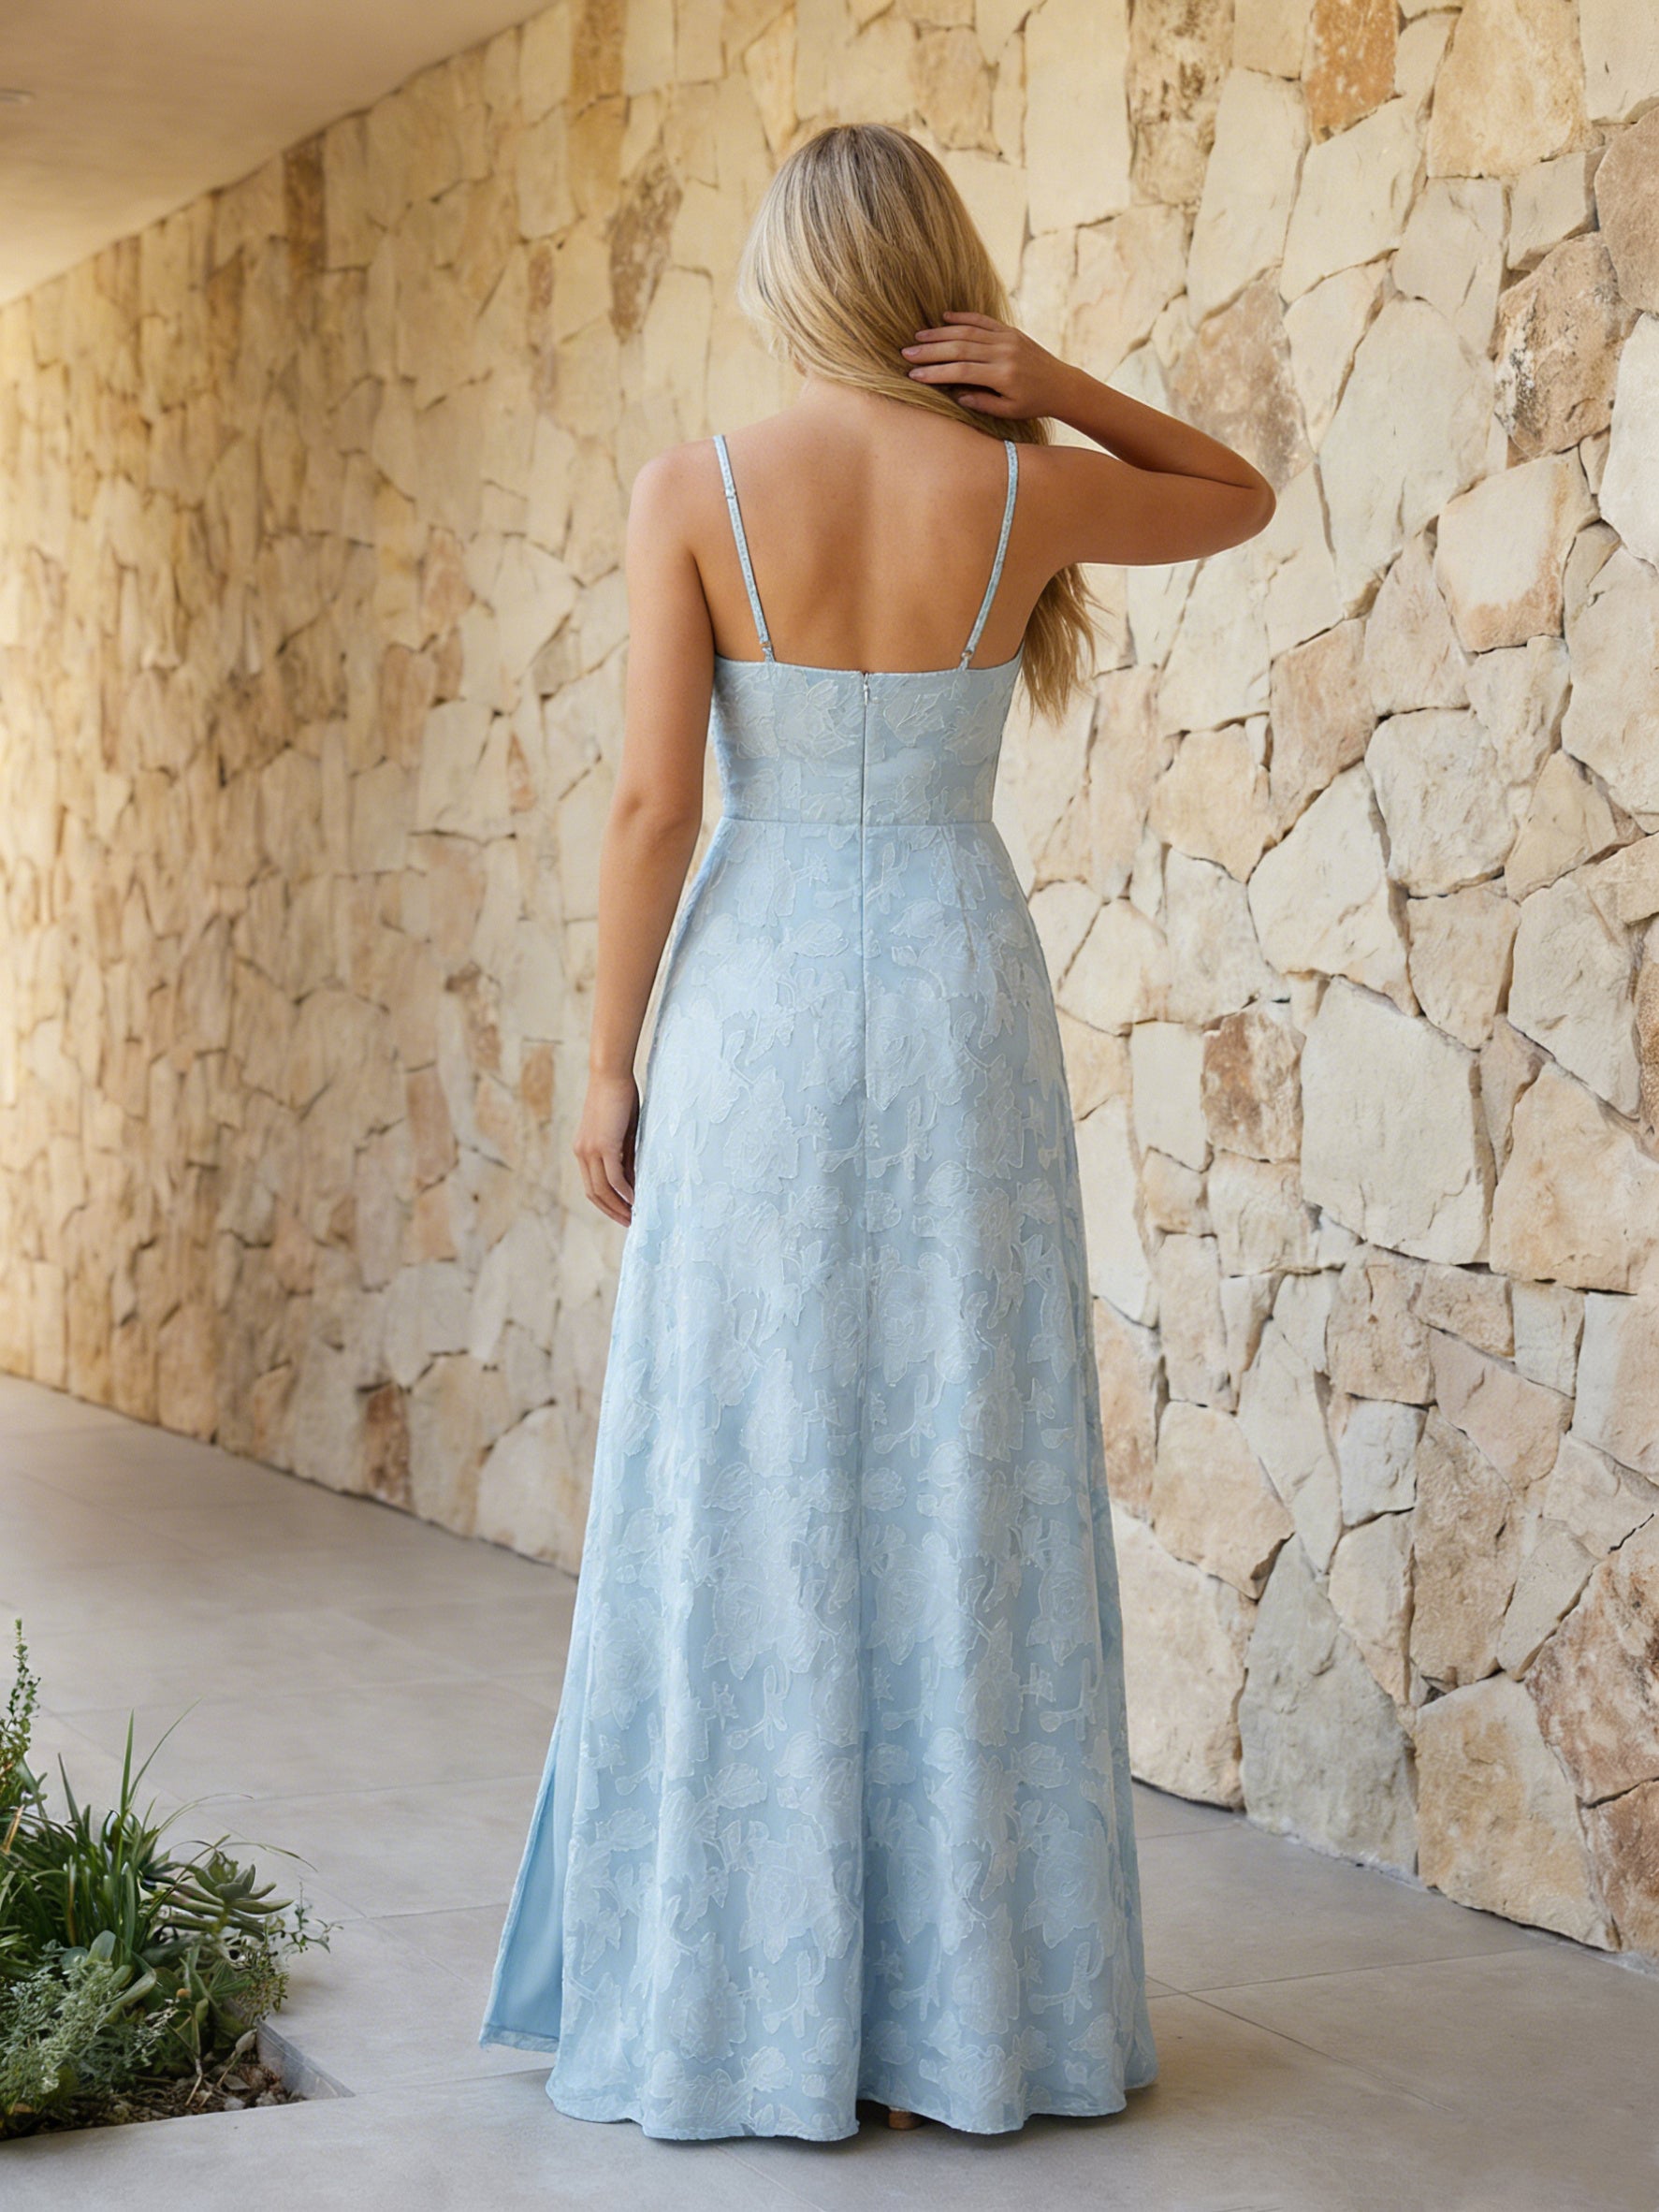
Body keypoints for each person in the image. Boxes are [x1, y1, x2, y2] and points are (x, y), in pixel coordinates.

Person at [479, 120, 1275, 2144]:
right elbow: (1235, 494)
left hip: (752, 1002)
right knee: (956, 1460)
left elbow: (654, 809)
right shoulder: (1019, 489)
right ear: (932, 275)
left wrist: (607, 1059)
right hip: (948, 990)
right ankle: (956, 2019)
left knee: (739, 1457)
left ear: (786, 277)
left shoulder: (694, 490)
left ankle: (743, 2004)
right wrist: (1051, 382)